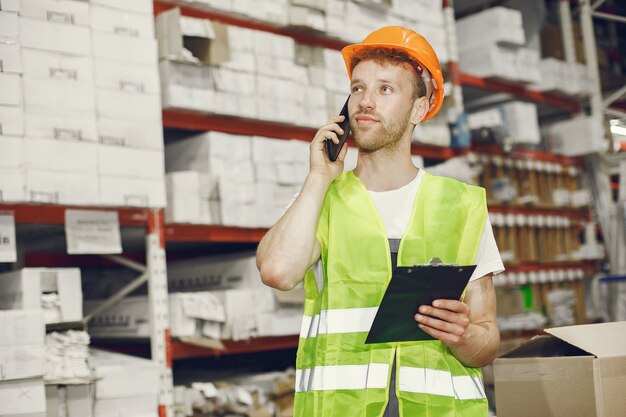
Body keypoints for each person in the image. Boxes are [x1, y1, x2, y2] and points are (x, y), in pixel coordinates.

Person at [256, 26, 503, 417]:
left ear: (419, 109)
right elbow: (276, 272)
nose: (365, 102)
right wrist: (319, 177)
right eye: (357, 88)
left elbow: (487, 343)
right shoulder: (321, 199)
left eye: (385, 89)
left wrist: (463, 335)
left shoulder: (461, 206)